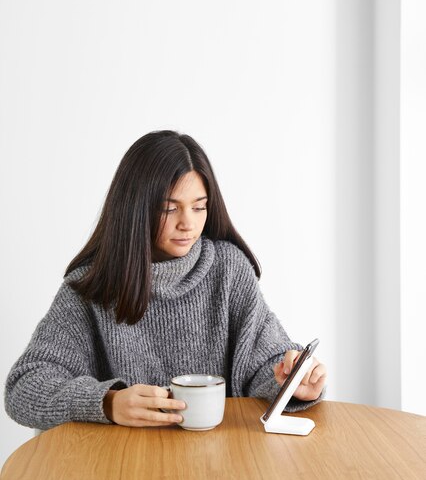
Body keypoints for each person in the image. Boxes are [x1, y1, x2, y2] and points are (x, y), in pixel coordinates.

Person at [5, 130, 326, 430]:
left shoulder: (228, 271)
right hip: (119, 472)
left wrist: (292, 382)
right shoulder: (92, 288)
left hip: (221, 469)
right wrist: (106, 402)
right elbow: (24, 388)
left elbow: (265, 366)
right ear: (135, 210)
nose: (188, 223)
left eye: (199, 207)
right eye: (170, 209)